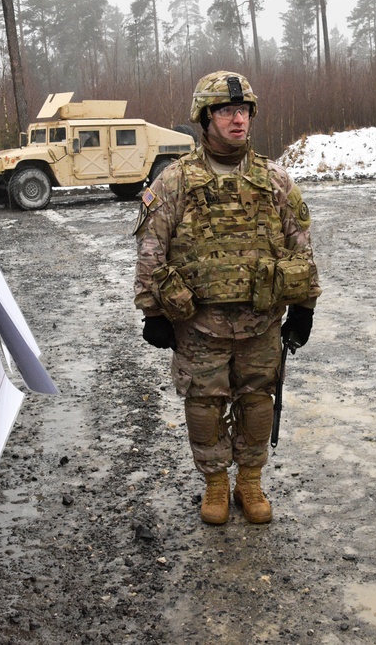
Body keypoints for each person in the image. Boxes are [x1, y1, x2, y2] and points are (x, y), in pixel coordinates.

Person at [132, 71, 320, 525]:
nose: (237, 120)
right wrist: (152, 311)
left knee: (258, 402)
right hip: (198, 324)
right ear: (205, 118)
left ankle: (250, 483)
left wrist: (305, 306)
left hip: (261, 321)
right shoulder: (176, 181)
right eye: (225, 111)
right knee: (204, 404)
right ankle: (216, 485)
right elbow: (151, 247)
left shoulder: (273, 178)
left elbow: (301, 244)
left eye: (243, 111)